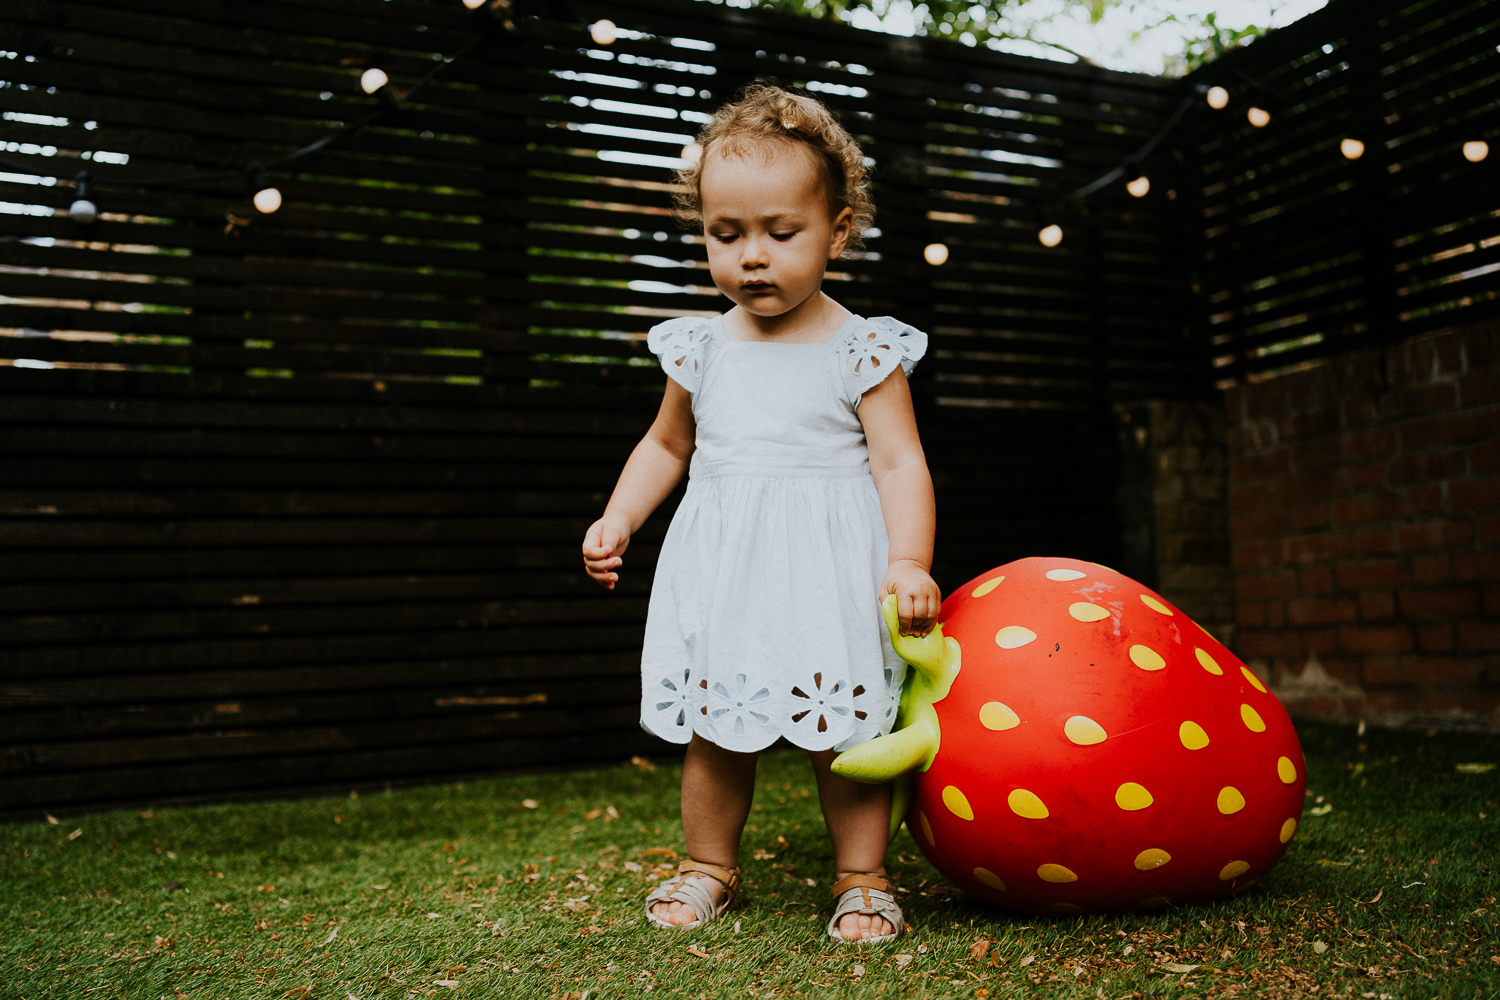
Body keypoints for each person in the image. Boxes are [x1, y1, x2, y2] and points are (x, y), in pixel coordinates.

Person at [581, 84, 939, 943]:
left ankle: (863, 876)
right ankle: (708, 865)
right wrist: (619, 516)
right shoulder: (700, 346)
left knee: (844, 728)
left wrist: (908, 560)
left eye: (781, 234)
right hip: (726, 571)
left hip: (831, 572)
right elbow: (666, 447)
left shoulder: (862, 348)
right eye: (725, 234)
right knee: (716, 728)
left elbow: (900, 461)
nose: (752, 258)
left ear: (837, 232)